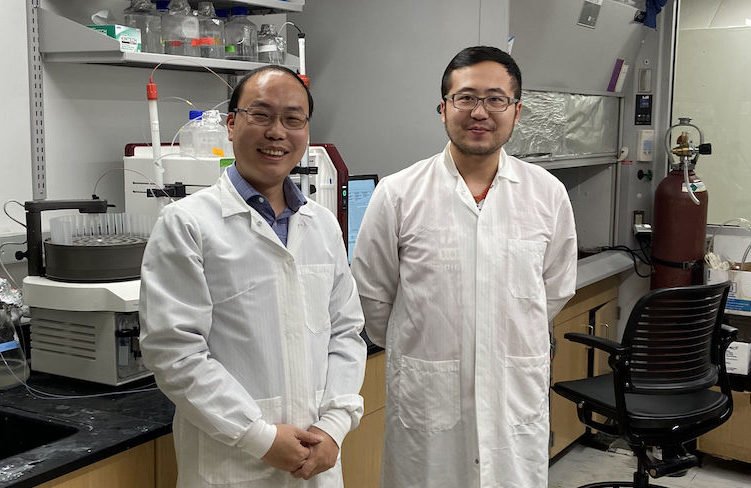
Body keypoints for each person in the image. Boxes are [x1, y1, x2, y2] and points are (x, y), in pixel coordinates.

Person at [351, 46, 578, 488]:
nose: (481, 112)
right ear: (443, 109)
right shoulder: (398, 194)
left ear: (516, 111)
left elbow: (554, 288)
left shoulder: (546, 194)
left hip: (513, 400)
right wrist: (430, 344)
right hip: (428, 403)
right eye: (466, 98)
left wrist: (495, 336)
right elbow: (374, 299)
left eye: (496, 99)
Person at [139, 66, 367, 488]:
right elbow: (175, 353)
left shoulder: (321, 224)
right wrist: (257, 436)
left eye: (292, 119)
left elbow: (346, 333)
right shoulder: (186, 224)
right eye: (260, 115)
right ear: (231, 124)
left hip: (317, 460)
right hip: (232, 463)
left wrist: (334, 426)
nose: (277, 132)